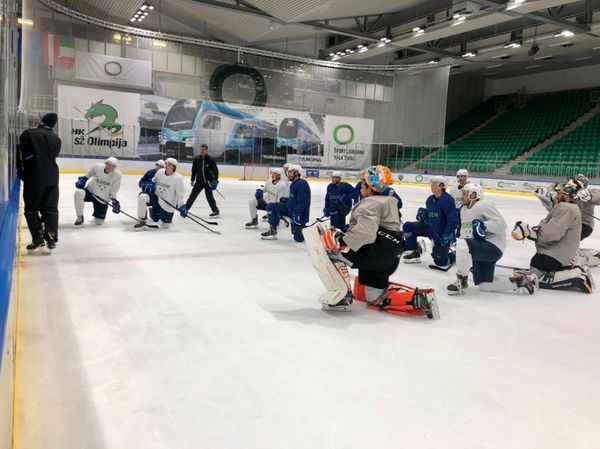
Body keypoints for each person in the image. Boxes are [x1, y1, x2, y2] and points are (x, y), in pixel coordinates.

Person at [317, 165, 439, 318]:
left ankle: (342, 297)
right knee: (373, 298)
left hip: (376, 254)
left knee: (332, 254)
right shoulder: (389, 201)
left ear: (370, 188)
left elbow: (365, 233)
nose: (360, 187)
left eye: (363, 184)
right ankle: (412, 299)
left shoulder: (370, 203)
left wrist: (341, 241)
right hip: (389, 256)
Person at [447, 183, 538, 295]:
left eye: (465, 194)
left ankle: (461, 281)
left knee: (462, 244)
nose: (462, 197)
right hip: (480, 249)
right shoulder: (463, 210)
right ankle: (523, 281)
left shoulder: (483, 204)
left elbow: (501, 225)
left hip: (492, 247)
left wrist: (483, 225)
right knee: (485, 286)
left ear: (473, 194)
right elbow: (465, 234)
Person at [512, 180, 594, 293]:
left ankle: (576, 274)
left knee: (538, 265)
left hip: (558, 253)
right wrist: (530, 230)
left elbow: (551, 234)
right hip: (557, 251)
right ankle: (560, 270)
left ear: (566, 195)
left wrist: (530, 233)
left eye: (558, 193)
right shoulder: (566, 207)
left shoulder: (567, 208)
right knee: (537, 264)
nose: (556, 196)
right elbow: (547, 225)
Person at [18, 112, 61, 251]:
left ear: (41, 121)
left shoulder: (29, 133)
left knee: (31, 209)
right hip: (53, 178)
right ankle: (51, 237)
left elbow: (25, 156)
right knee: (50, 208)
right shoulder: (56, 139)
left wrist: (23, 171)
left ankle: (38, 238)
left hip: (34, 177)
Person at [402, 175, 458, 269]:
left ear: (441, 185)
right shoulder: (430, 199)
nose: (431, 186)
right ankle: (413, 250)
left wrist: (448, 234)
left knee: (440, 262)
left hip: (441, 234)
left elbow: (452, 219)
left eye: (434, 184)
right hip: (430, 229)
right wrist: (423, 216)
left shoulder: (448, 200)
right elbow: (431, 215)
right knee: (408, 226)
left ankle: (456, 255)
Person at [261, 164, 310, 242]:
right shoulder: (293, 184)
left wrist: (296, 214)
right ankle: (273, 231)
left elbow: (303, 202)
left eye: (290, 172)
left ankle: (314, 230)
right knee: (271, 206)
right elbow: (294, 199)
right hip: (290, 209)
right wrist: (286, 201)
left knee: (298, 238)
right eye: (288, 172)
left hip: (298, 213)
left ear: (297, 173)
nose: (288, 174)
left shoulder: (302, 184)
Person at [136, 158, 186, 230]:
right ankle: (141, 220)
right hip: (156, 199)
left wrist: (181, 206)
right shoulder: (160, 172)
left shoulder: (178, 178)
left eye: (169, 164)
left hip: (167, 205)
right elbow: (153, 181)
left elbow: (180, 194)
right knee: (142, 196)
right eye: (166, 163)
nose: (166, 165)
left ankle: (152, 211)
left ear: (173, 167)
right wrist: (149, 185)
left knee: (165, 226)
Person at [74, 157, 122, 227]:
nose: (108, 166)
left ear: (114, 167)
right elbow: (88, 175)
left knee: (99, 222)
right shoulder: (97, 166)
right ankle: (79, 217)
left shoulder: (117, 175)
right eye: (107, 164)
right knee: (79, 192)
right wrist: (83, 180)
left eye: (111, 165)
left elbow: (114, 190)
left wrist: (114, 201)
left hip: (102, 199)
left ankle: (98, 217)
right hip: (90, 192)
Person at [185, 144, 219, 217]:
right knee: (192, 196)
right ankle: (185, 209)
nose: (202, 151)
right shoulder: (197, 159)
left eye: (203, 150)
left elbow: (216, 171)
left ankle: (215, 211)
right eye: (201, 149)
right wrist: (192, 180)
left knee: (209, 197)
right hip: (199, 182)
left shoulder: (211, 160)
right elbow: (194, 170)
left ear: (206, 150)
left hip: (208, 182)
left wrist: (215, 181)